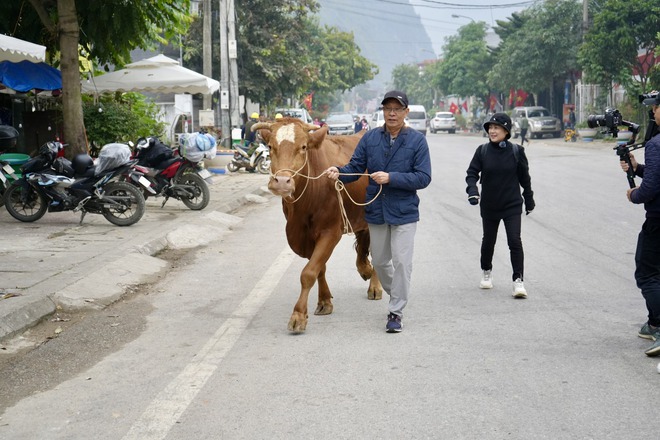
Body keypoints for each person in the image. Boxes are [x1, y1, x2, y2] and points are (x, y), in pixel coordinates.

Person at [325, 90, 432, 333]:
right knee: (381, 263)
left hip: (404, 211)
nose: (392, 113)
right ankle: (399, 294)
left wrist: (391, 177)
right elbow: (355, 166)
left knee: (402, 262)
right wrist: (338, 171)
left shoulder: (417, 141)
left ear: (406, 112)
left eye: (397, 109)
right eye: (387, 109)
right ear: (382, 112)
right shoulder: (371, 138)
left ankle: (395, 311)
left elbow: (424, 177)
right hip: (376, 210)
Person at [465, 112, 535, 299]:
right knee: (489, 241)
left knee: (514, 240)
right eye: (490, 127)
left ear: (506, 131)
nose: (492, 131)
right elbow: (472, 173)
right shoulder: (482, 151)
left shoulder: (517, 152)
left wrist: (529, 199)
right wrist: (472, 190)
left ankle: (518, 281)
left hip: (512, 204)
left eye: (497, 127)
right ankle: (486, 271)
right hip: (489, 204)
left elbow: (524, 178)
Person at [620, 94, 660, 356]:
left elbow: (651, 188)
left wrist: (634, 194)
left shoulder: (656, 144)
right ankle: (653, 322)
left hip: (658, 221)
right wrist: (637, 167)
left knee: (647, 273)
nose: (654, 113)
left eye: (656, 108)